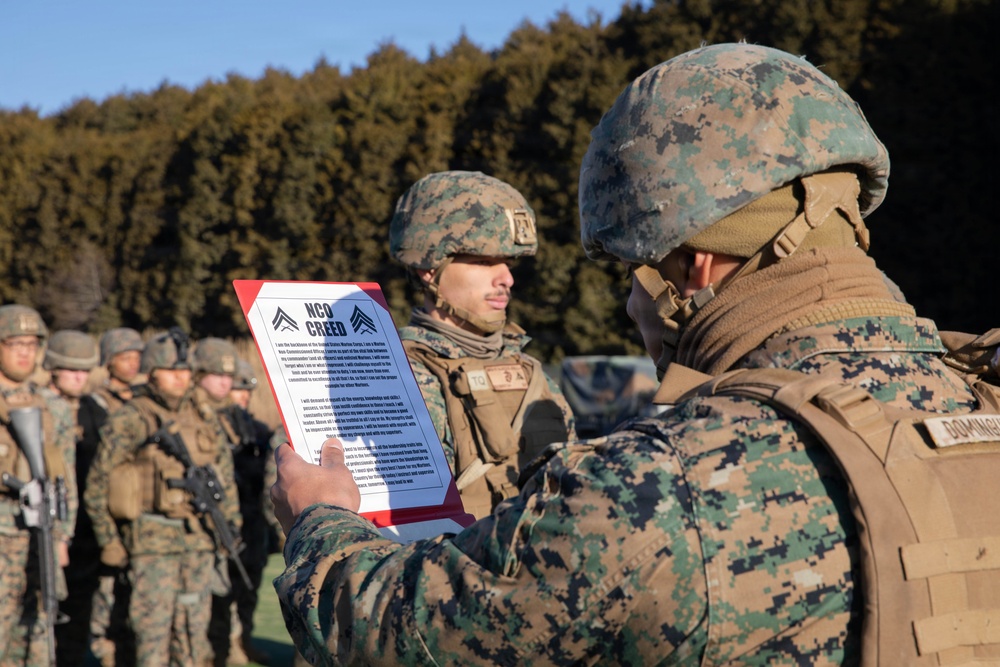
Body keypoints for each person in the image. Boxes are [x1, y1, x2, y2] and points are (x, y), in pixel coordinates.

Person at [268, 43, 1000, 665]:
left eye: (633, 274)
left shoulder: (658, 489)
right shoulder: (981, 391)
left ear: (693, 268)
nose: (630, 305)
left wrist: (320, 521)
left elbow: (390, 628)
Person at [389, 170, 576, 518]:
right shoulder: (396, 377)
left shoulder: (532, 374)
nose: (506, 278)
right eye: (484, 261)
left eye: (508, 263)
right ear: (428, 268)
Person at [84, 328, 242, 667]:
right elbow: (97, 484)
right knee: (151, 637)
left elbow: (224, 479)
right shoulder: (132, 417)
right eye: (171, 371)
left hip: (199, 541)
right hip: (151, 544)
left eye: (185, 371)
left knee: (192, 635)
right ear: (153, 373)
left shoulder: (203, 417)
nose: (180, 379)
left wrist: (231, 525)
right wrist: (109, 539)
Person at [0, 305, 78, 666]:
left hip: (41, 536)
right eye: (15, 343)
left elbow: (67, 479)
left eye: (31, 344)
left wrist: (62, 536)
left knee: (38, 633)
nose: (24, 352)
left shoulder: (53, 407)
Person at [74, 326, 145, 667]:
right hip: (102, 511)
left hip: (138, 511)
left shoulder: (144, 402)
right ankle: (103, 649)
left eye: (136, 357)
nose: (132, 364)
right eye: (124, 357)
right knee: (103, 591)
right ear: (108, 361)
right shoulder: (92, 404)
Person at [38, 330, 104, 667]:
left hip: (86, 533)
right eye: (71, 369)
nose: (80, 376)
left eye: (84, 370)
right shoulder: (35, 407)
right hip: (47, 529)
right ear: (53, 368)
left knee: (79, 612)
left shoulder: (95, 410)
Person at [206, 355, 275, 666]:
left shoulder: (258, 430)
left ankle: (243, 639)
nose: (243, 397)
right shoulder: (211, 428)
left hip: (254, 521)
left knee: (250, 585)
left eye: (247, 391)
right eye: (237, 389)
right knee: (224, 588)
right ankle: (224, 646)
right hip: (227, 520)